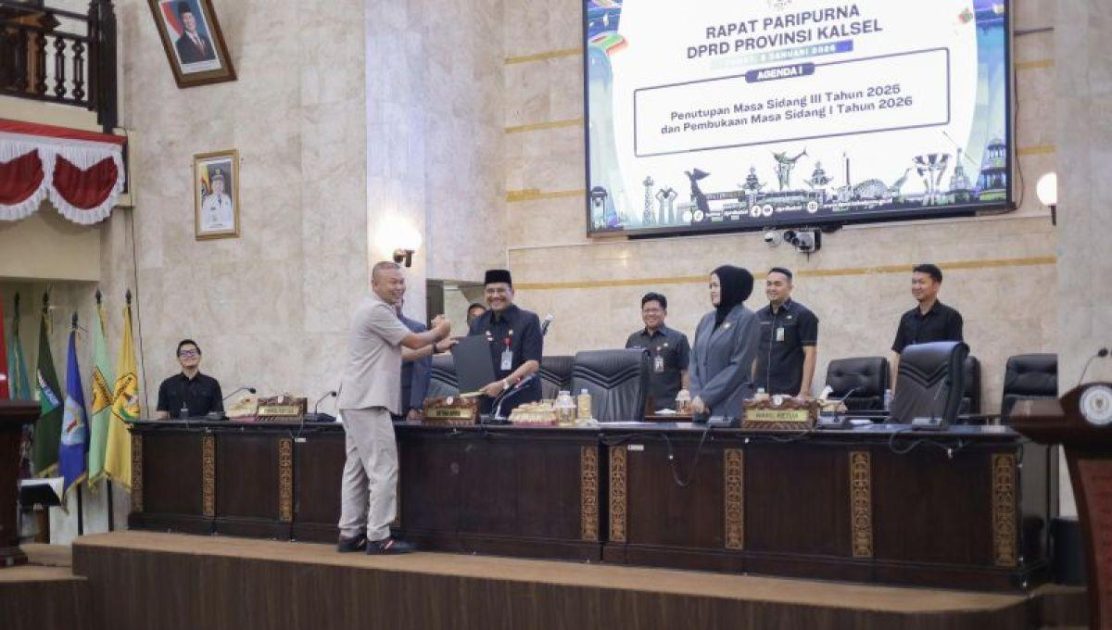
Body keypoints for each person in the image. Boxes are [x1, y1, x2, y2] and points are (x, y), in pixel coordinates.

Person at [337, 261, 451, 555]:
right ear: (375, 284)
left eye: (401, 281)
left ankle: (350, 534)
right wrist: (439, 330)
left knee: (356, 470)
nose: (399, 287)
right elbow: (413, 340)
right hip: (369, 401)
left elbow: (400, 355)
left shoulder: (373, 310)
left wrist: (435, 348)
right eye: (392, 282)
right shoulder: (377, 310)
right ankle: (379, 537)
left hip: (355, 399)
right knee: (384, 469)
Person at [689, 266, 760, 419]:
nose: (712, 291)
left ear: (731, 286)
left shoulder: (747, 319)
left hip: (730, 407)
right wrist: (695, 395)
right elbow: (693, 361)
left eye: (716, 286)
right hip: (700, 409)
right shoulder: (706, 320)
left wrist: (705, 397)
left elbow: (739, 366)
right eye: (710, 286)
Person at [467, 269, 543, 415]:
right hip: (487, 402)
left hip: (522, 403)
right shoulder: (478, 323)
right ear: (484, 294)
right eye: (490, 291)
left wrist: (503, 384)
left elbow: (532, 363)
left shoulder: (528, 320)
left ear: (512, 292)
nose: (495, 295)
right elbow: (472, 360)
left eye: (501, 290)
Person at [890, 263, 964, 389]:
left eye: (921, 282)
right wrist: (894, 388)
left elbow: (956, 355)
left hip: (938, 387)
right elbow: (898, 355)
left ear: (936, 286)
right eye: (914, 282)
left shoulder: (951, 316)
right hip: (910, 385)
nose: (916, 286)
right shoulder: (907, 318)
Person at [753, 268, 819, 398]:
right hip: (761, 393)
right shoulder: (758, 316)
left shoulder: (803, 315)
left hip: (790, 393)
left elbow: (810, 354)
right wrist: (750, 387)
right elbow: (755, 355)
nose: (772, 288)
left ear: (790, 288)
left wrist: (804, 392)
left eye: (777, 284)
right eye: (769, 284)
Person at [624, 292, 690, 409]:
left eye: (655, 310)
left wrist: (685, 396)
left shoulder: (678, 338)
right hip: (638, 407)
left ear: (665, 313)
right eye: (646, 310)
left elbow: (686, 371)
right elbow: (627, 373)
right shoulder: (633, 339)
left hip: (669, 407)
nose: (650, 314)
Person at [395, 299, 455, 422]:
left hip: (403, 403)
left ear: (402, 302)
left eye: (397, 300)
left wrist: (415, 406)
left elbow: (421, 370)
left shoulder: (416, 328)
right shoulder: (375, 329)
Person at [155, 339, 224, 419]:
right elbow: (162, 415)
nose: (189, 355)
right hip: (176, 427)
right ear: (178, 359)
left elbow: (218, 414)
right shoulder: (167, 384)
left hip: (204, 427)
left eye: (192, 352)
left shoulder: (212, 383)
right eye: (184, 353)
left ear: (200, 356)